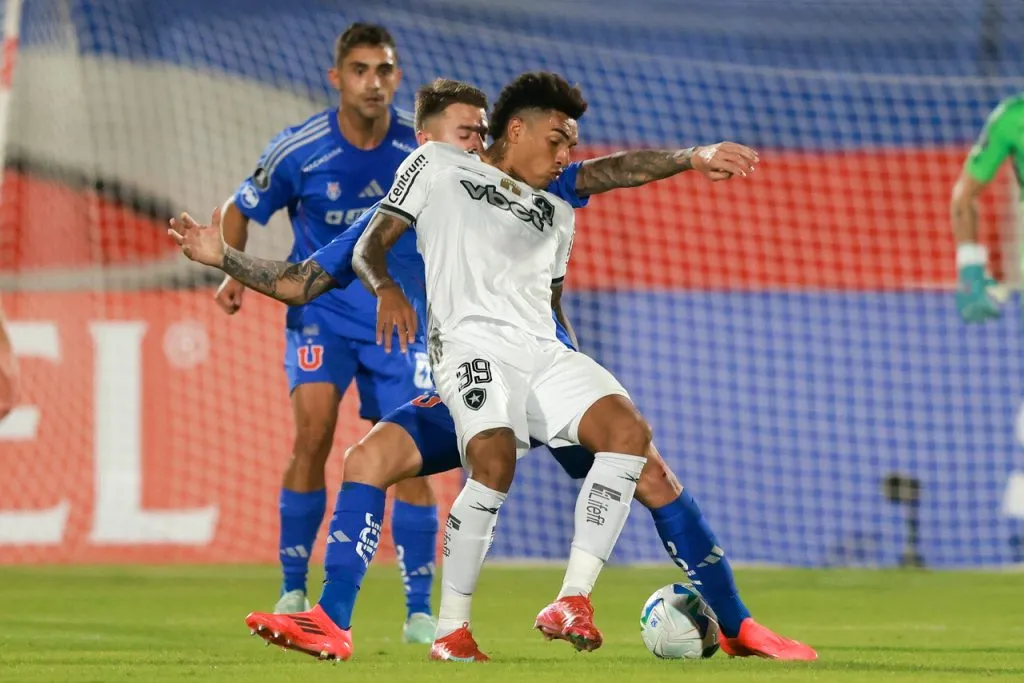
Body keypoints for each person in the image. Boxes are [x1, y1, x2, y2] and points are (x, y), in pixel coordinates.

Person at [172, 77, 812, 663]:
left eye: (482, 129)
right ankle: (347, 621)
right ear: (451, 138)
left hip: (543, 365)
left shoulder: (552, 198)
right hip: (472, 366)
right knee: (378, 459)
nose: (479, 141)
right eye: (469, 131)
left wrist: (692, 158)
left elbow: (609, 178)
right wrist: (224, 257)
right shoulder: (427, 179)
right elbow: (303, 280)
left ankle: (732, 624)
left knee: (645, 462)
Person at [213, 22, 442, 642]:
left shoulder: (422, 151)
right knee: (312, 436)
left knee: (411, 457)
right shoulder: (301, 149)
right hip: (322, 313)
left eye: (384, 70)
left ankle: (419, 611)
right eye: (360, 70)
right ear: (337, 78)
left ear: (398, 77)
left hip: (398, 318)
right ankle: (293, 585)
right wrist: (233, 271)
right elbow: (238, 208)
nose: (373, 82)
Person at [951, 94, 1024, 323]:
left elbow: (963, 197)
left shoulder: (1011, 118)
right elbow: (964, 196)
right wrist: (970, 271)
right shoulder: (1012, 119)